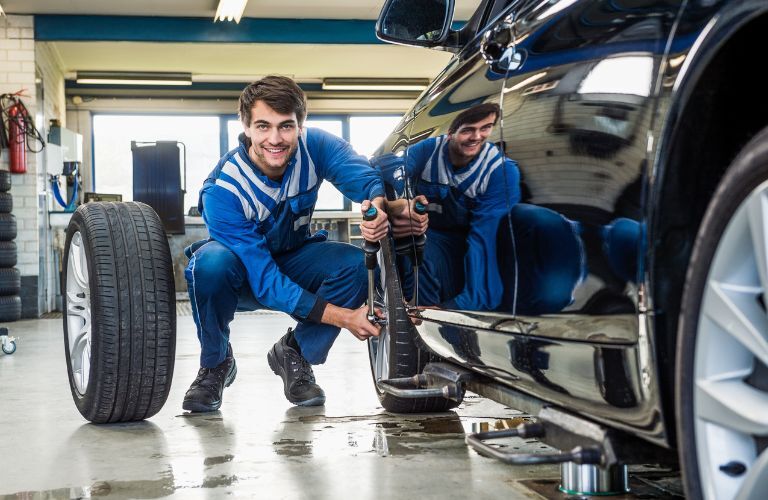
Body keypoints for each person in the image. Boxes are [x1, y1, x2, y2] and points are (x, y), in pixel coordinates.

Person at [183, 75, 388, 412]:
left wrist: (377, 207)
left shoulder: (316, 146)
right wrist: (345, 317)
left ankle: (296, 352)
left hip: (295, 258)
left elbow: (363, 176)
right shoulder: (223, 190)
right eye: (263, 126)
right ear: (246, 126)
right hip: (243, 277)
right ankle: (216, 363)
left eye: (286, 127)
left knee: (354, 266)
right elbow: (264, 281)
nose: (275, 139)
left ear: (300, 125)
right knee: (210, 264)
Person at [382, 103, 520, 310]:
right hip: (434, 238)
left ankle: (438, 311)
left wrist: (456, 307)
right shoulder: (428, 150)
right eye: (467, 130)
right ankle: (422, 312)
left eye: (486, 128)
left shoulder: (500, 171)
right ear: (450, 133)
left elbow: (487, 240)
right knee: (414, 241)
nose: (477, 137)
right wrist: (397, 204)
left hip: (474, 241)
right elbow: (389, 167)